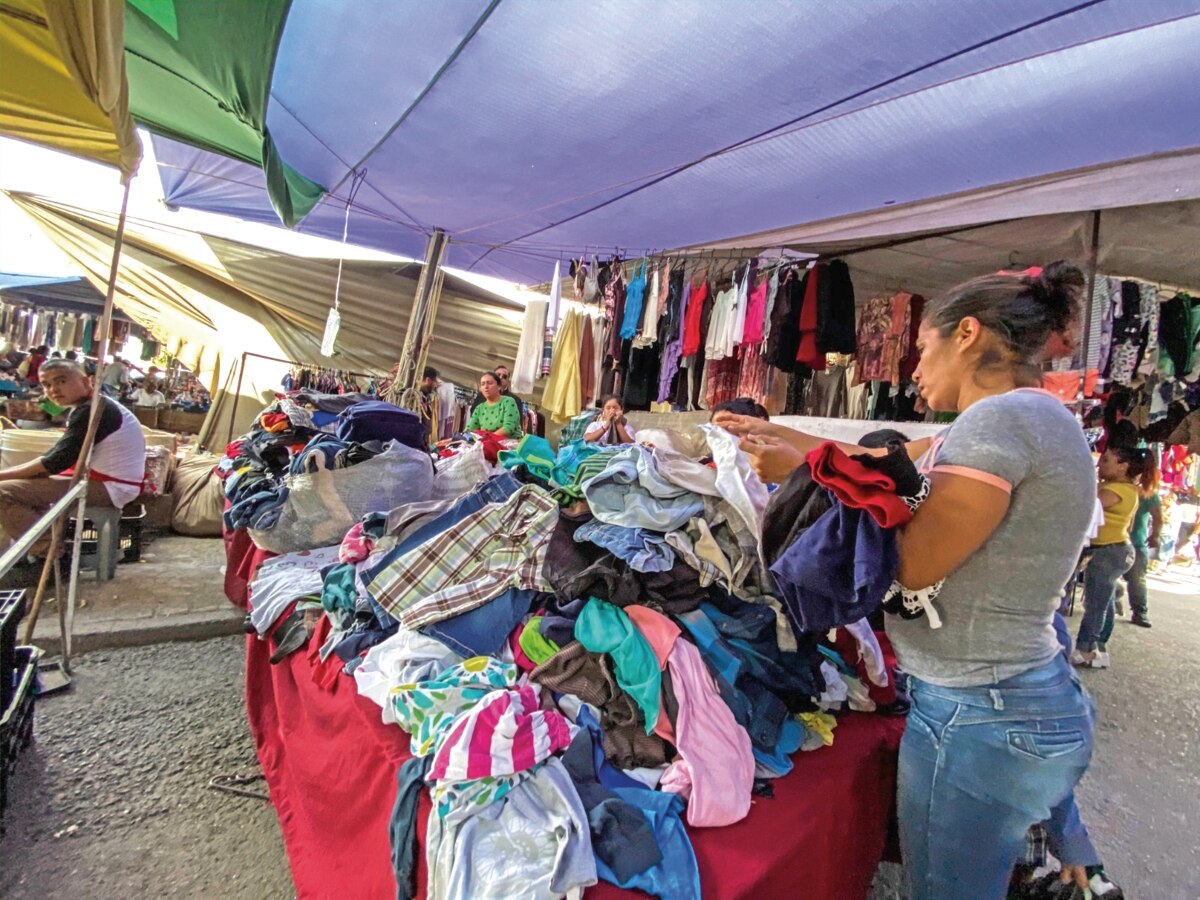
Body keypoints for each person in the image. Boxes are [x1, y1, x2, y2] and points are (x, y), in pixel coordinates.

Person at [718, 262, 1100, 898]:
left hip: (978, 709)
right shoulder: (1025, 421)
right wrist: (771, 436)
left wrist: (805, 477)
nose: (914, 370)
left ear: (969, 334)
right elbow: (877, 463)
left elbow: (914, 565)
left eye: (923, 349)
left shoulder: (998, 422)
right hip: (1013, 691)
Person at [0, 359, 145, 555]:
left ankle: (50, 554)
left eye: (61, 381)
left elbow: (54, 462)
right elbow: (56, 458)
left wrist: (3, 475)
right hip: (101, 480)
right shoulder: (87, 406)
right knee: (22, 484)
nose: (53, 389)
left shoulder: (93, 410)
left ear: (87, 382)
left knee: (3, 492)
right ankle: (38, 547)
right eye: (47, 384)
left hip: (111, 487)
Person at [1072, 445, 1154, 667]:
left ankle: (1087, 649)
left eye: (1106, 460)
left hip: (1110, 550)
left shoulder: (1117, 490)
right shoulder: (1122, 488)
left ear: (1122, 467)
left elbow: (1087, 504)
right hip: (1115, 550)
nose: (1100, 465)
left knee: (1096, 603)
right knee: (1103, 601)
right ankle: (1098, 648)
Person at [1122, 458, 1162, 629]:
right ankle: (1139, 612)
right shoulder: (1148, 493)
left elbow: (1158, 518)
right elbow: (1159, 518)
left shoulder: (1146, 493)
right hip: (1134, 541)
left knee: (1135, 579)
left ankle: (1139, 611)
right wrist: (1155, 536)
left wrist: (1155, 536)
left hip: (1132, 541)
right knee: (1137, 579)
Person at [464, 371, 522, 439]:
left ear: (499, 386)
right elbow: (469, 430)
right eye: (483, 384)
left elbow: (508, 428)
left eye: (490, 383)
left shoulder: (508, 402)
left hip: (508, 445)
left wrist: (486, 439)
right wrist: (451, 440)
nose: (486, 387)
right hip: (485, 443)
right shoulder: (479, 408)